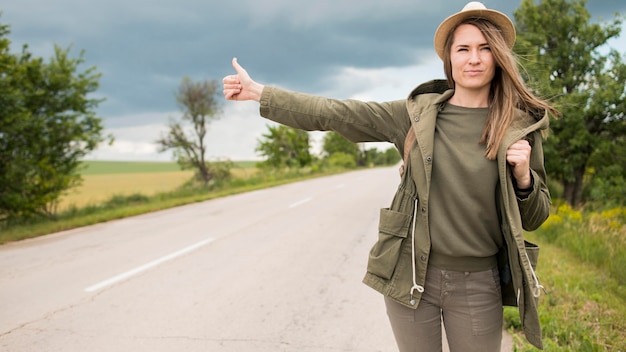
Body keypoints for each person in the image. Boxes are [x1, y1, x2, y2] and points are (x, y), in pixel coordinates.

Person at [222, 2, 558, 351]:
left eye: (485, 48)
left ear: (498, 56)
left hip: (479, 284)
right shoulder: (414, 115)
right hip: (411, 275)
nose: (474, 58)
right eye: (464, 49)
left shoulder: (519, 126)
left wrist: (523, 178)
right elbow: (335, 113)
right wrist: (259, 93)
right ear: (449, 59)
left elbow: (535, 217)